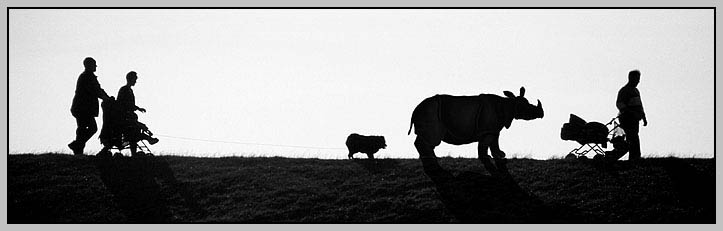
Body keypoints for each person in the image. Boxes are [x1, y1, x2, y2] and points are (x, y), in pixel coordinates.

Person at [69, 57, 111, 155]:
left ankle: (78, 148)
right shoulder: (86, 77)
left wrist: (107, 97)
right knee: (89, 128)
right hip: (82, 108)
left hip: (84, 108)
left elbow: (98, 89)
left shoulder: (89, 76)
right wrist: (105, 98)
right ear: (88, 65)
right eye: (94, 64)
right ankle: (77, 146)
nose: (95, 66)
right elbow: (95, 90)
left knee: (82, 129)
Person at [117, 71, 159, 156]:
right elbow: (124, 104)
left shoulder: (128, 90)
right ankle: (148, 139)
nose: (135, 81)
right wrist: (136, 109)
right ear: (130, 79)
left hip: (128, 117)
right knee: (136, 130)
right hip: (125, 118)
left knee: (138, 128)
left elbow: (129, 105)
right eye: (134, 79)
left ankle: (147, 139)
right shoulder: (125, 90)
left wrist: (137, 108)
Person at [616, 70, 648, 160]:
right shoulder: (625, 91)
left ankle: (635, 157)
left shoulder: (636, 91)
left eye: (639, 79)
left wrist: (644, 117)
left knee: (634, 137)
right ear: (631, 78)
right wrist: (629, 112)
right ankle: (635, 157)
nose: (638, 81)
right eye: (637, 79)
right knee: (632, 138)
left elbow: (639, 106)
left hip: (635, 119)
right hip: (627, 119)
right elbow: (619, 104)